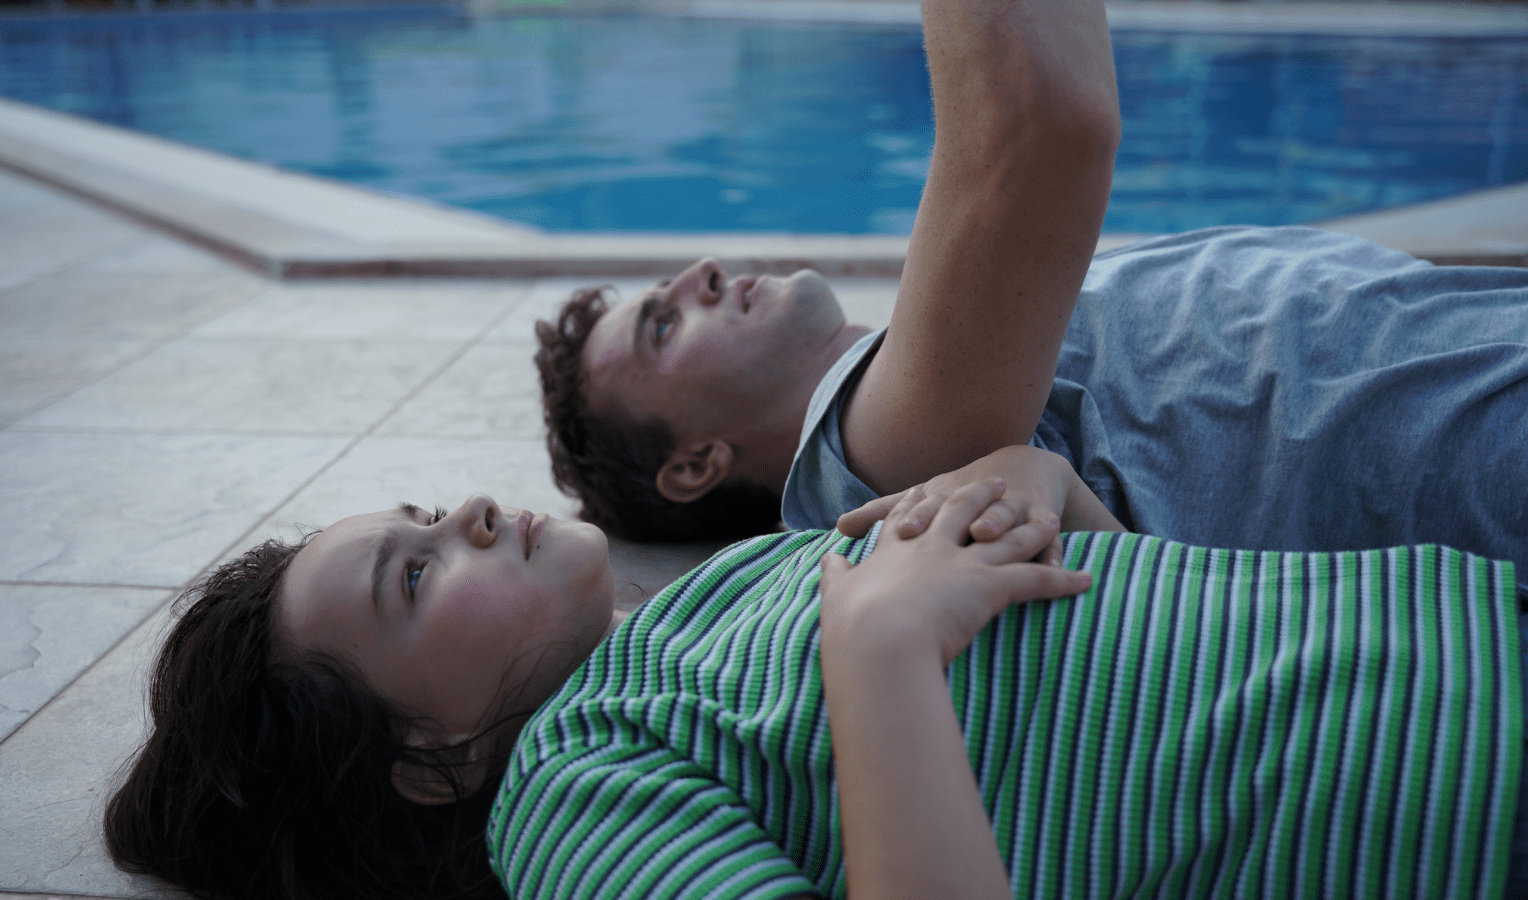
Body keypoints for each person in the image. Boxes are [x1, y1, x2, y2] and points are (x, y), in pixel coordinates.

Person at [102, 448, 1523, 899]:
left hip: (1472, 626)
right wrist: (884, 645)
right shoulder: (569, 799)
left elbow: (1115, 664)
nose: (462, 518)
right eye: (413, 576)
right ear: (433, 759)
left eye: (420, 514)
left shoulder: (722, 589)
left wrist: (1054, 498)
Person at [534, 0, 1528, 573]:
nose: (701, 273)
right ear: (696, 465)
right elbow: (1033, 125)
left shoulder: (955, 366)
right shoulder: (876, 463)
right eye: (663, 325)